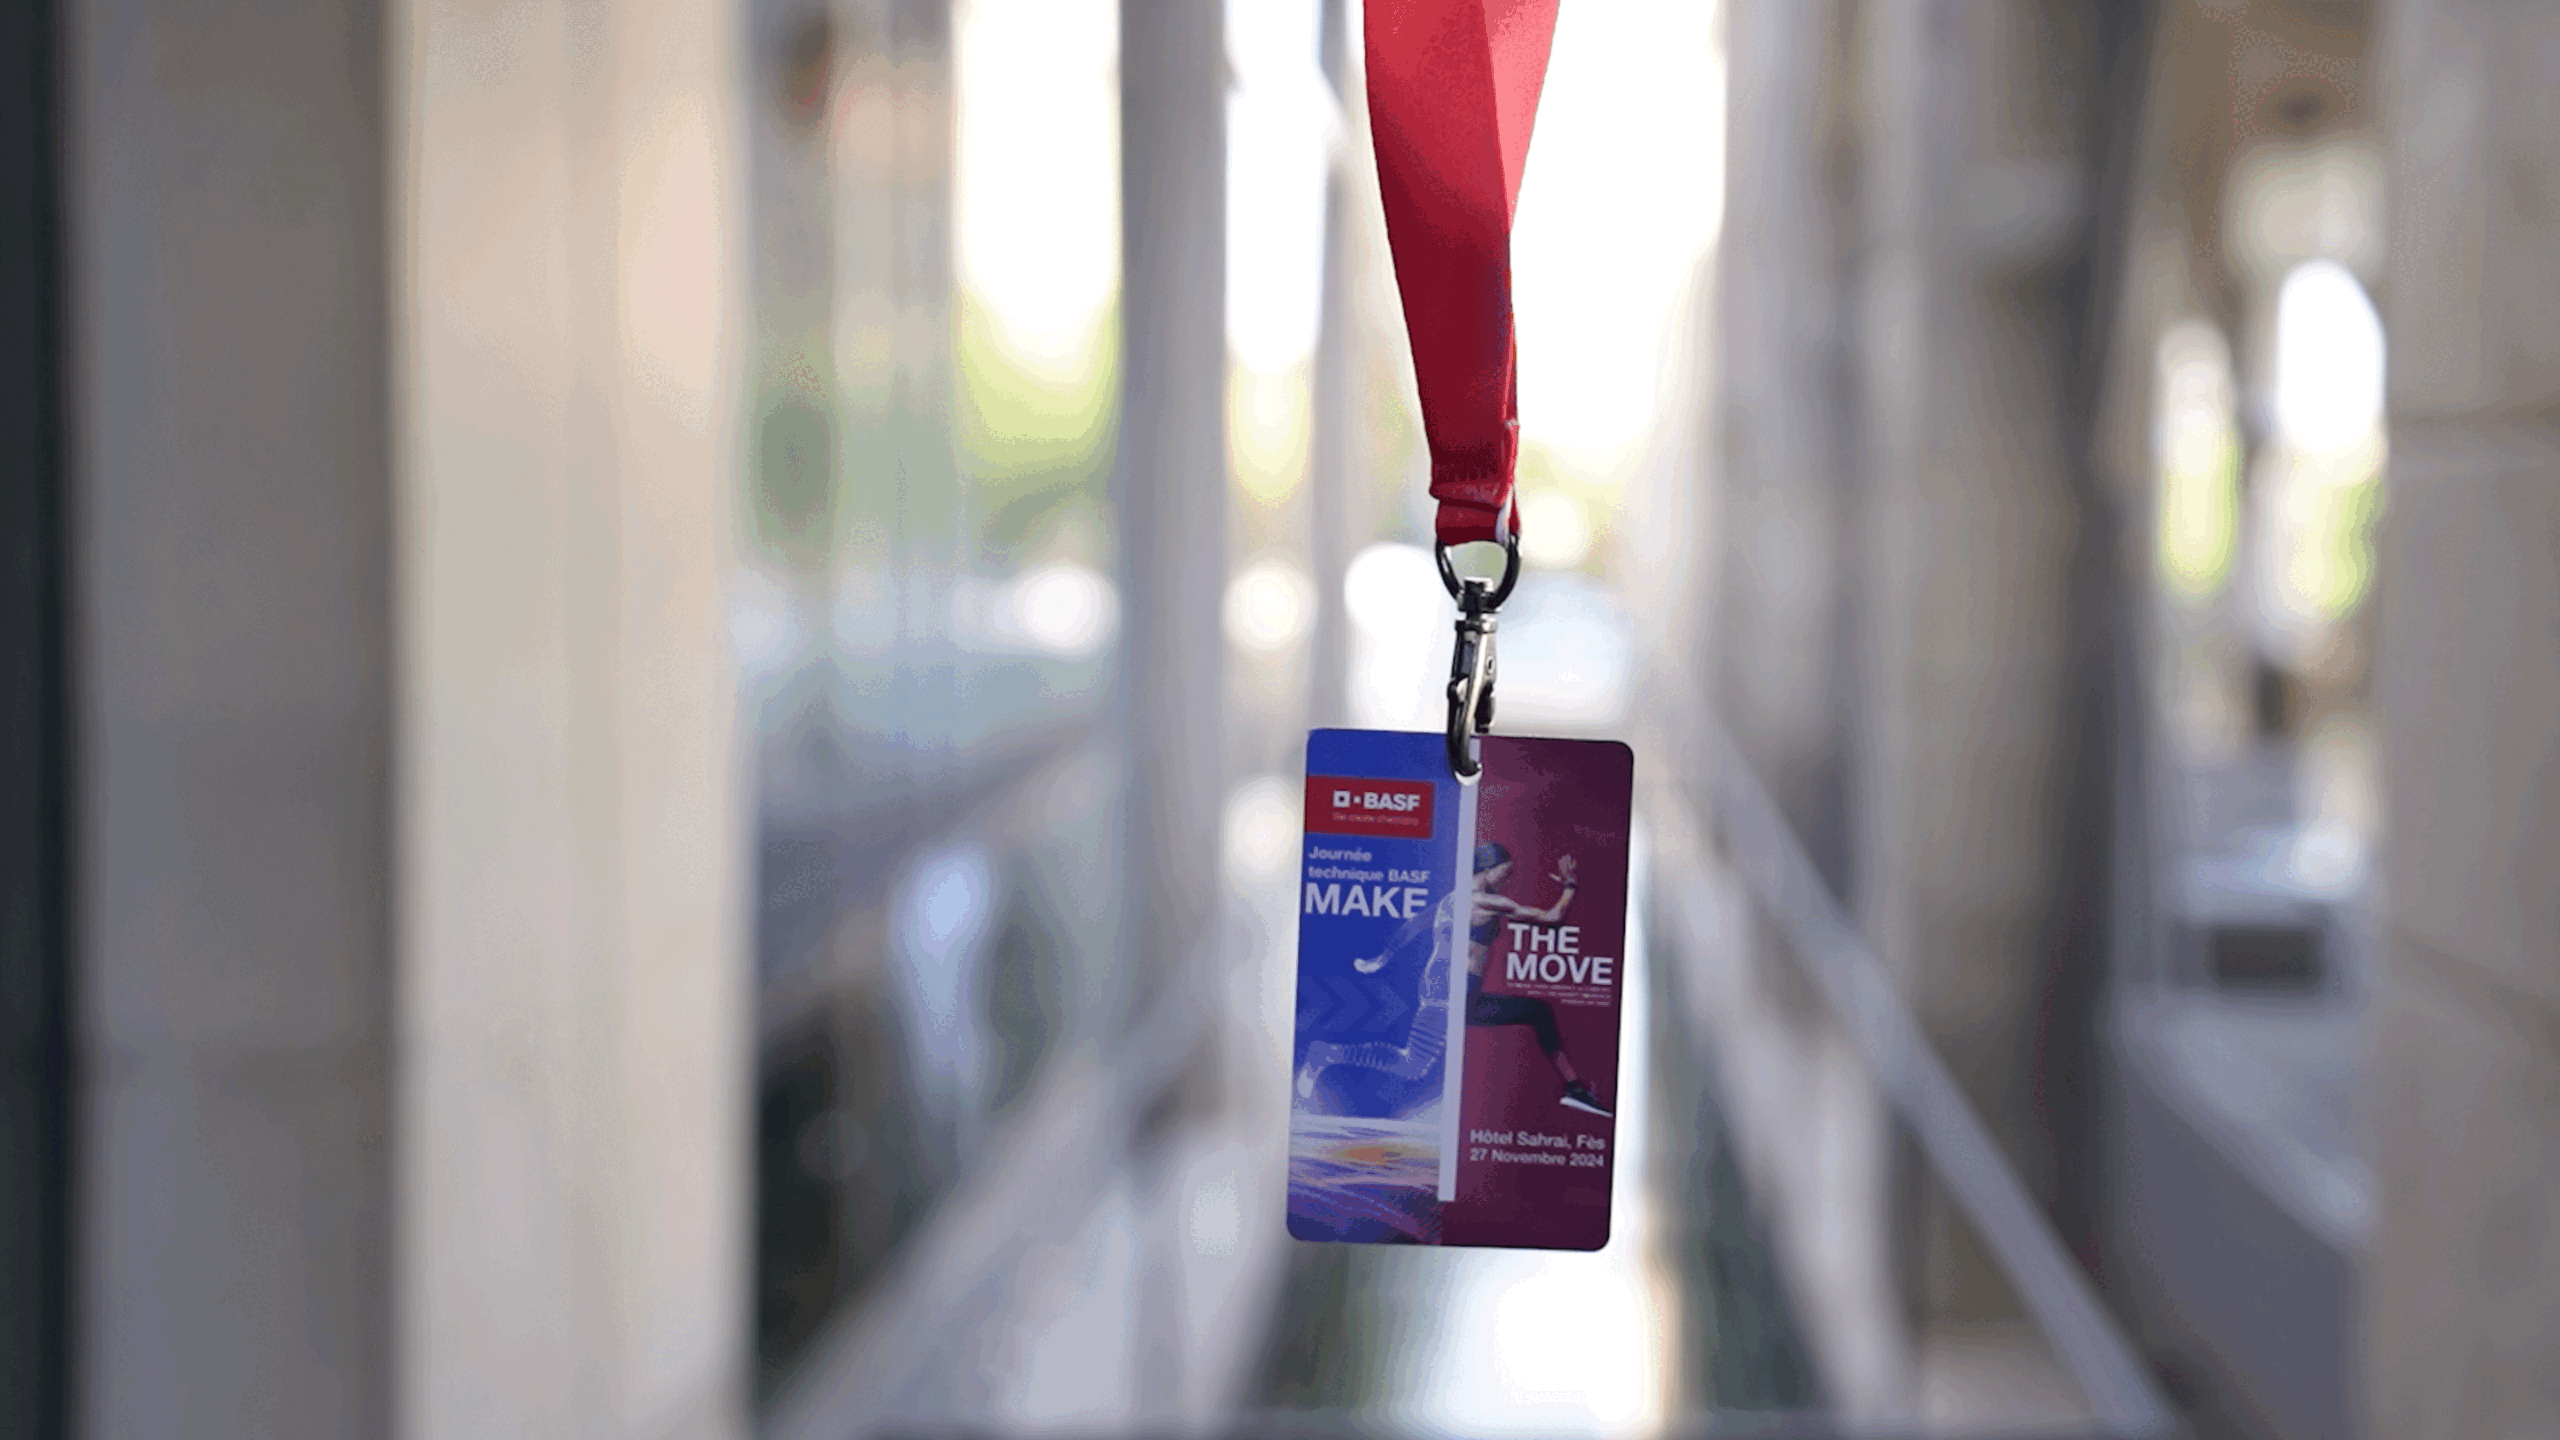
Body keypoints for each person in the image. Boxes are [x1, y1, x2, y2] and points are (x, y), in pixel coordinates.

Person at [1295, 842, 1610, 1119]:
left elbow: (1414, 923)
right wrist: (1570, 884)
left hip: (1444, 989)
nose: (1509, 878)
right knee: (1537, 1013)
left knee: (1412, 1065)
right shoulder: (1486, 902)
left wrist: (1381, 959)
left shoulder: (1453, 900)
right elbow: (1553, 919)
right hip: (1454, 991)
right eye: (1506, 872)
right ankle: (1574, 1088)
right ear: (1487, 869)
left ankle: (1327, 1054)